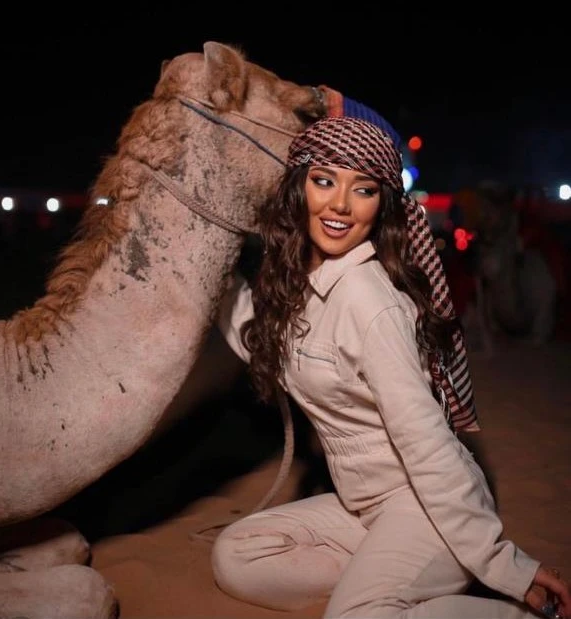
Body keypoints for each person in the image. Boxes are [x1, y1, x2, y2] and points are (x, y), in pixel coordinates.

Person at [212, 113, 570, 618]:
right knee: (237, 556)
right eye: (324, 181)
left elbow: (428, 444)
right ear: (299, 190)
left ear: (380, 205)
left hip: (428, 507)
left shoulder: (369, 301)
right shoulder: (304, 287)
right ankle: (395, 586)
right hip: (362, 507)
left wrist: (506, 566)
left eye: (363, 190)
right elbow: (265, 341)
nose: (340, 204)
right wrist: (210, 267)